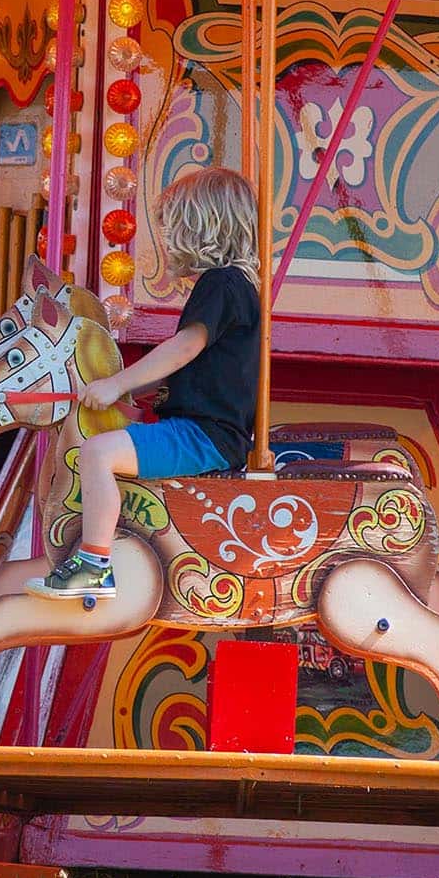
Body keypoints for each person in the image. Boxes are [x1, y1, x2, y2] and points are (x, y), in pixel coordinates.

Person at [26, 164, 261, 601]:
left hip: (205, 437)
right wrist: (137, 397)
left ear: (201, 227)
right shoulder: (234, 287)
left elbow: (185, 348)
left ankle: (93, 565)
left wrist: (116, 384)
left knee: (96, 452)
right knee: (108, 443)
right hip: (203, 430)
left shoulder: (221, 284)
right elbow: (203, 374)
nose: (167, 239)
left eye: (173, 227)